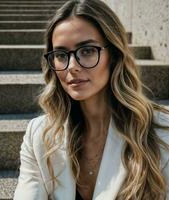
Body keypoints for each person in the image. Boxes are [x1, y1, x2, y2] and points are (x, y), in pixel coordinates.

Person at [13, 0, 169, 199]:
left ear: (113, 54)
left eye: (86, 51)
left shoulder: (161, 134)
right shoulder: (40, 136)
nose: (71, 66)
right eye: (61, 54)